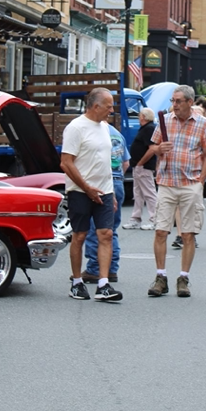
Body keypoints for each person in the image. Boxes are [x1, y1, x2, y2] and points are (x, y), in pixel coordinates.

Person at [147, 85, 206, 298]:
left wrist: (201, 180)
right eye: (172, 101)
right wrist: (159, 149)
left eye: (178, 101)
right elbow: (152, 148)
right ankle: (161, 277)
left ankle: (183, 278)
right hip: (167, 182)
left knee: (188, 234)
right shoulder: (164, 120)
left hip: (190, 184)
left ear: (189, 102)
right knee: (161, 230)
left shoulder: (203, 124)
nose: (174, 105)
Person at [59, 87, 123, 302]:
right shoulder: (76, 128)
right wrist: (87, 188)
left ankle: (103, 284)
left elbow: (104, 161)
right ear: (96, 106)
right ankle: (77, 282)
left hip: (104, 190)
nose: (111, 110)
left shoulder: (104, 127)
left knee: (105, 234)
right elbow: (66, 163)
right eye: (108, 106)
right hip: (80, 191)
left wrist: (110, 193)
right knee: (80, 235)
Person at [82, 123, 129, 284]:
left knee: (96, 228)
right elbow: (126, 162)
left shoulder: (96, 134)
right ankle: (112, 268)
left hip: (103, 182)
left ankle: (95, 268)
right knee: (111, 229)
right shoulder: (118, 134)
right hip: (119, 181)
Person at [123, 108, 157, 231]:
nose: (138, 117)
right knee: (138, 193)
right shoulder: (147, 128)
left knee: (148, 192)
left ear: (143, 117)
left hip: (143, 166)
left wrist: (140, 163)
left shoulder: (148, 128)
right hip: (139, 165)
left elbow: (152, 148)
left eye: (139, 115)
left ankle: (154, 219)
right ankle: (135, 218)